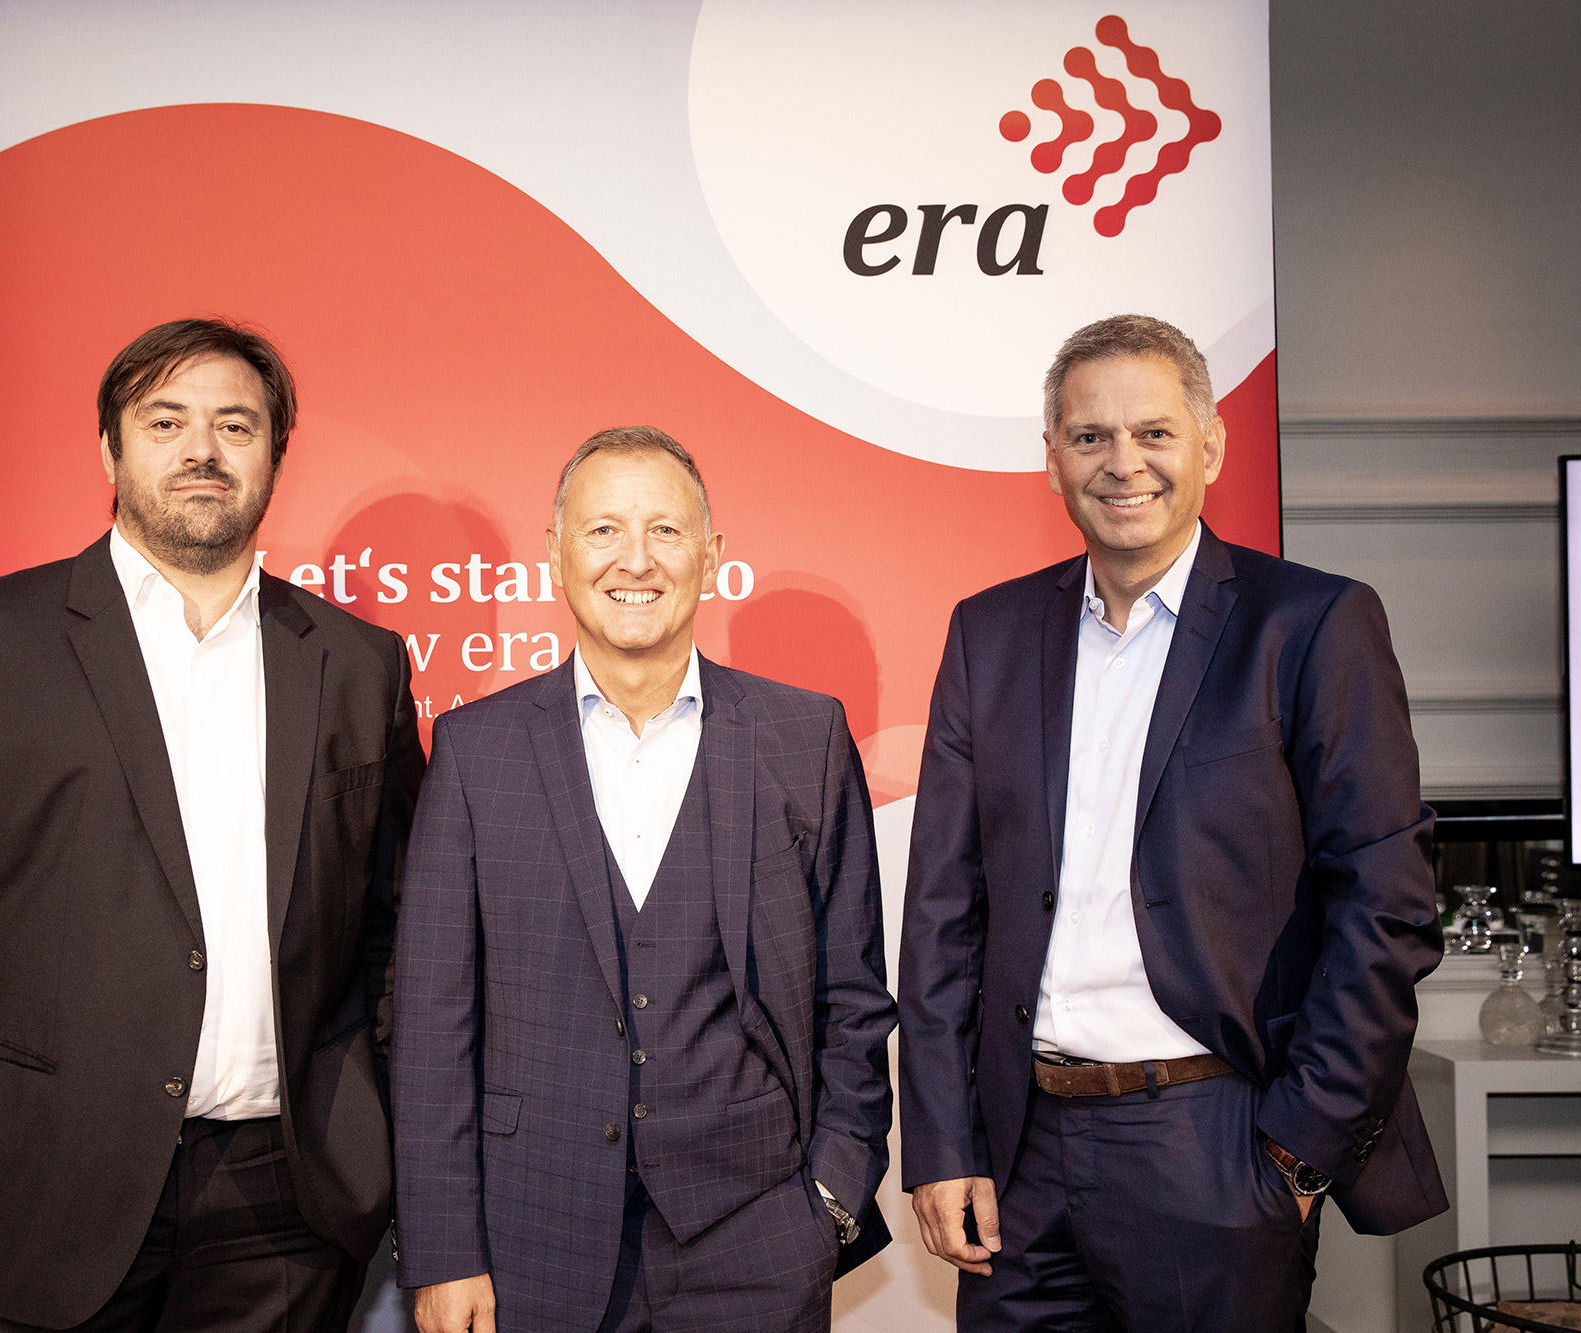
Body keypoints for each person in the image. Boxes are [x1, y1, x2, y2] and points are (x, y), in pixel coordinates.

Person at [0, 318, 424, 1333]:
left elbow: (393, 932)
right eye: (166, 422)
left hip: (286, 1209)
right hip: (41, 1199)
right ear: (110, 451)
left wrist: (378, 1147)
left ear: (274, 457)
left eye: (234, 425)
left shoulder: (356, 663)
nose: (203, 449)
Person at [899, 314, 1447, 1331]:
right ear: (1052, 457)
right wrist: (940, 1140)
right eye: (1090, 436)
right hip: (1019, 1154)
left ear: (1209, 445)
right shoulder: (989, 633)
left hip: (1216, 1143)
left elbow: (1386, 904)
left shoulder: (1309, 624)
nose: (1123, 463)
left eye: (1152, 432)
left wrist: (1298, 1148)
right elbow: (942, 911)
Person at [392, 427, 894, 1333]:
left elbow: (853, 999)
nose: (635, 559)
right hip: (529, 1245)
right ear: (556, 554)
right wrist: (444, 1248)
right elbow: (432, 1022)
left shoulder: (804, 737)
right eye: (604, 531)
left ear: (711, 555)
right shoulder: (475, 752)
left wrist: (830, 1199)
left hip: (757, 1242)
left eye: (665, 530)